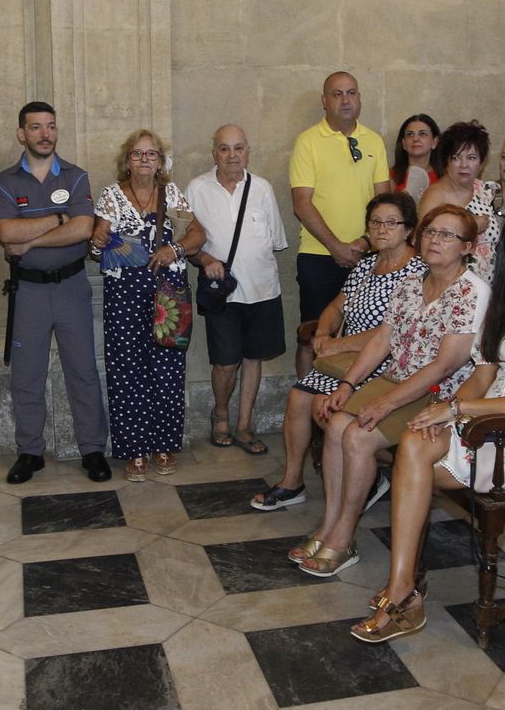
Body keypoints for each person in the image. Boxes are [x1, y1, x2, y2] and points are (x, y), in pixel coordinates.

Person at [352, 204, 505, 642]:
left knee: (414, 464)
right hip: (488, 430)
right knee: (415, 439)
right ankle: (403, 587)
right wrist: (447, 410)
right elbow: (485, 374)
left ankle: (404, 589)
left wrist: (458, 410)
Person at [290, 204, 488, 578]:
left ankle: (344, 539)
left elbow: (445, 365)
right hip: (396, 378)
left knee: (358, 437)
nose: (435, 240)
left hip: (437, 393)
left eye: (447, 235)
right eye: (430, 232)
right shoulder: (413, 282)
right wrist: (347, 385)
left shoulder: (471, 292)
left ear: (466, 247)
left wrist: (385, 402)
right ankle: (330, 525)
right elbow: (383, 339)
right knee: (334, 422)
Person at [250, 192, 424, 511]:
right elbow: (335, 305)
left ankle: (367, 478)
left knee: (323, 406)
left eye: (391, 223)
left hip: (384, 365)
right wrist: (323, 331)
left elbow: (393, 334)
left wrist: (336, 345)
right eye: (375, 223)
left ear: (409, 230)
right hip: (343, 362)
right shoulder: (367, 265)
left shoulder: (417, 272)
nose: (382, 229)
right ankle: (292, 482)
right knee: (297, 396)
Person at [0, 101, 111, 484]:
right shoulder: (5, 182)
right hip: (28, 292)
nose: (45, 134)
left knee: (83, 371)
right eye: (36, 127)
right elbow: (6, 233)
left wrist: (30, 241)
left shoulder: (76, 177)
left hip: (72, 287)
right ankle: (30, 451)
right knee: (26, 375)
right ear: (21, 134)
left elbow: (83, 229)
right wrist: (59, 218)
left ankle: (92, 449)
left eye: (51, 127)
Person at [91, 129, 207, 481]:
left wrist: (175, 249)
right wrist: (97, 241)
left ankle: (164, 446)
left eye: (151, 154)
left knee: (168, 372)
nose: (144, 160)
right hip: (124, 297)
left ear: (160, 162)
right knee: (127, 373)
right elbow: (97, 244)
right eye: (137, 154)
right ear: (127, 160)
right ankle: (134, 450)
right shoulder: (112, 195)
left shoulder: (170, 193)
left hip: (167, 298)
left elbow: (198, 233)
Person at [186, 125, 289, 455]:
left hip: (263, 290)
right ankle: (220, 414)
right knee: (225, 363)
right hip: (223, 293)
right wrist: (205, 259)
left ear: (248, 152)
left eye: (239, 148)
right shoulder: (197, 189)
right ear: (213, 152)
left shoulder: (262, 188)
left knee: (253, 359)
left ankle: (244, 426)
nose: (232, 155)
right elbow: (186, 242)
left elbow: (274, 240)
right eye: (225, 149)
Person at [289, 71, 391, 376]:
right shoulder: (307, 142)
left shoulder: (374, 141)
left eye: (351, 93)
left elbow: (384, 203)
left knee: (365, 335)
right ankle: (307, 403)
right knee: (313, 335)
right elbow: (301, 204)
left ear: (359, 98)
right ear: (324, 101)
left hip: (370, 258)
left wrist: (363, 242)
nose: (345, 100)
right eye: (337, 94)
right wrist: (336, 247)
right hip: (319, 257)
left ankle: (349, 403)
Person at [418, 120, 501, 283]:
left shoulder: (482, 190)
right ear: (447, 162)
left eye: (471, 158)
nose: (464, 165)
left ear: (481, 162)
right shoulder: (435, 196)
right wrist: (469, 226)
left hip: (487, 285)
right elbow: (422, 244)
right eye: (456, 157)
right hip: (450, 286)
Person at [389, 113, 438, 202]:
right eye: (410, 134)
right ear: (403, 143)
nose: (415, 139)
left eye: (422, 134)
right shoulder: (391, 177)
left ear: (434, 142)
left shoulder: (445, 176)